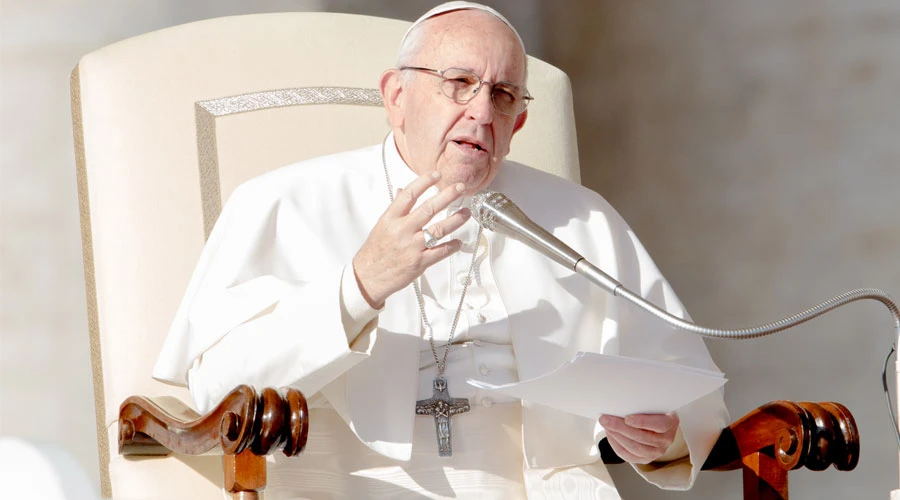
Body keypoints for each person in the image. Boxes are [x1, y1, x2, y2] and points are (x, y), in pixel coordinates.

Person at [153, 2, 729, 498]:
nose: (481, 111)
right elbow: (216, 389)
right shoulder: (285, 202)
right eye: (458, 83)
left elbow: (685, 381)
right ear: (396, 95)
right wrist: (358, 288)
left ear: (519, 121)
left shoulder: (582, 220)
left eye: (502, 96)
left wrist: (665, 436)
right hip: (350, 486)